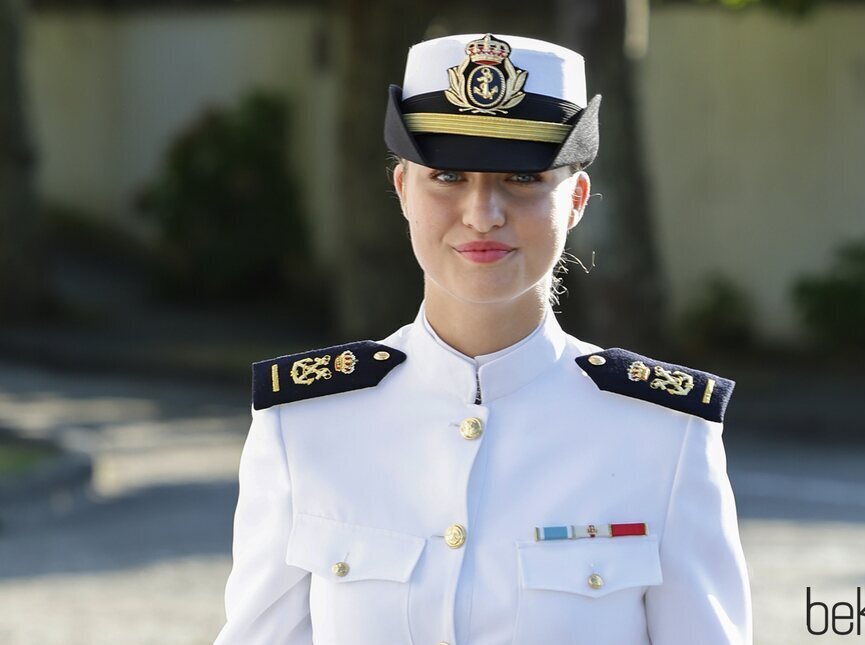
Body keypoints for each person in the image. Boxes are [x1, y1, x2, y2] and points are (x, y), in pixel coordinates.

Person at [215, 33, 751, 645]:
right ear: (403, 191)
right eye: (447, 174)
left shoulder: (666, 434)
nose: (482, 213)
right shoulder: (305, 424)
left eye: (522, 178)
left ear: (574, 200)